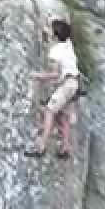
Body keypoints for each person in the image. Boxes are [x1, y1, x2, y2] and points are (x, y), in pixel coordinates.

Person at [26, 18, 80, 159]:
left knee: (49, 111)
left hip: (66, 85)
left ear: (55, 35)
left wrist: (38, 76)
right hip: (74, 83)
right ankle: (65, 148)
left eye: (50, 29)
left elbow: (55, 74)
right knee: (63, 116)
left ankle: (41, 147)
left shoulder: (55, 51)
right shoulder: (68, 44)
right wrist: (45, 29)